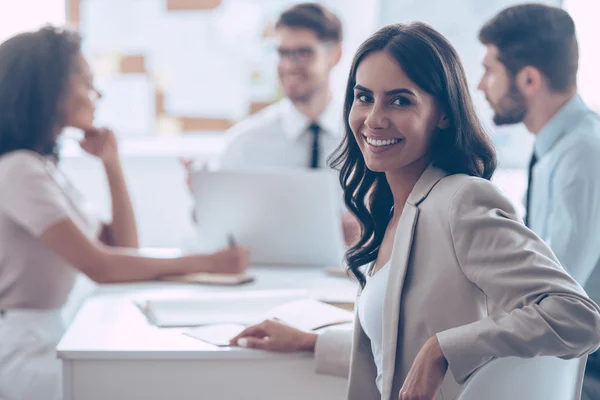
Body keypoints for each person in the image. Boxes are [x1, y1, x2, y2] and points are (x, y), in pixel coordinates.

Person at [230, 23, 600, 400]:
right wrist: (311, 342)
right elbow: (397, 354)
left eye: (400, 100)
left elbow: (579, 316)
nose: (374, 118)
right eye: (363, 97)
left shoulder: (462, 202)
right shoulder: (396, 211)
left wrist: (443, 349)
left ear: (443, 113)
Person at [0, 27, 249, 400]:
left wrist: (111, 163)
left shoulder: (44, 168)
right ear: (51, 88)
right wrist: (209, 262)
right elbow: (102, 268)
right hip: (23, 351)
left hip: (50, 333)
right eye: (87, 81)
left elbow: (124, 247)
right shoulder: (19, 169)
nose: (96, 93)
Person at [477, 5, 600, 399]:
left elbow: (555, 297)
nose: (482, 86)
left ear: (529, 78)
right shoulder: (556, 147)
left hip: (581, 372)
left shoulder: (585, 155)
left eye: (490, 70)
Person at [184, 3, 360, 245]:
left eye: (303, 53)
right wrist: (206, 200)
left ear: (335, 55)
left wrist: (370, 228)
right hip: (268, 278)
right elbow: (214, 230)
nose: (288, 65)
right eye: (282, 53)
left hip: (347, 277)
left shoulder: (365, 138)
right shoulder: (245, 142)